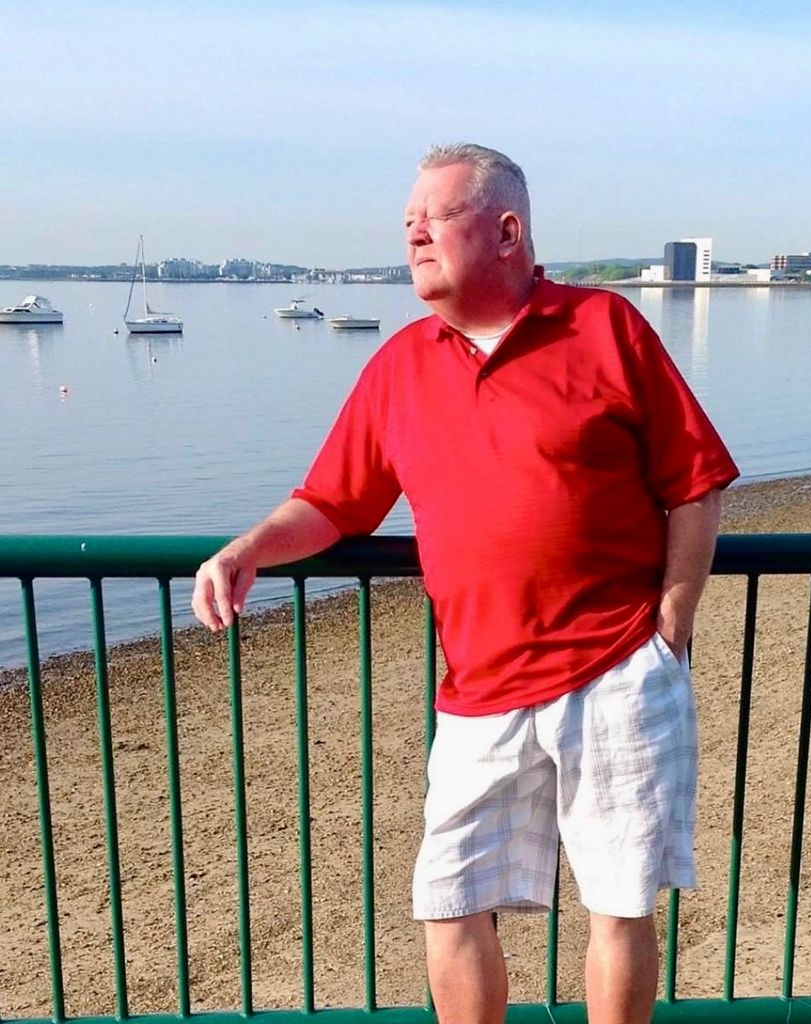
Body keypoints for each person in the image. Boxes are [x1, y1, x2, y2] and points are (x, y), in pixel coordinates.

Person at [192, 143, 739, 1024]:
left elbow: (694, 484)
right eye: (407, 220)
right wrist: (247, 548)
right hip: (477, 687)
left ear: (506, 231)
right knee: (446, 903)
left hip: (615, 667)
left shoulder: (604, 326)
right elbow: (331, 501)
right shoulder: (399, 365)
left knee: (617, 904)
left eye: (435, 217)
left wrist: (670, 626)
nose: (413, 233)